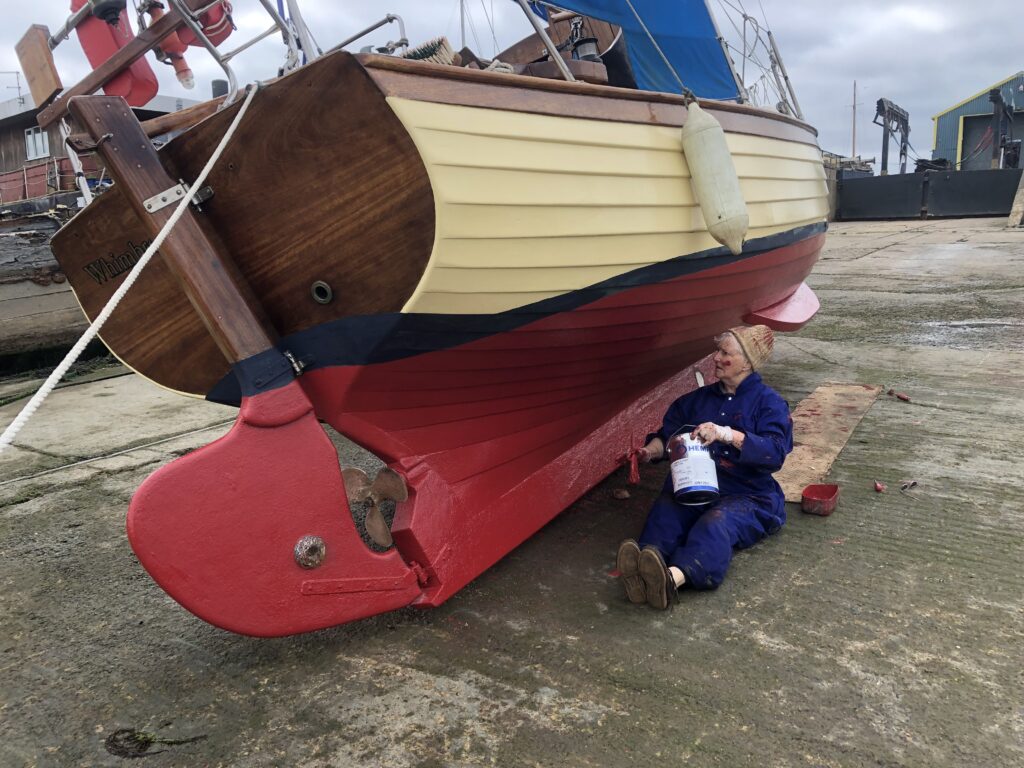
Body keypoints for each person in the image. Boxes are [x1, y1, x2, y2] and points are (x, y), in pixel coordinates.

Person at [616, 324, 793, 610]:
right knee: (667, 512)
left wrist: (725, 434)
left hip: (748, 494)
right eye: (717, 351)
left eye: (725, 353)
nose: (716, 358)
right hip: (696, 485)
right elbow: (668, 436)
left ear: (747, 363)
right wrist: (648, 452)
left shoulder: (769, 404)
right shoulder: (696, 401)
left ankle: (672, 579)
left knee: (715, 524)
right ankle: (646, 565)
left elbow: (774, 453)